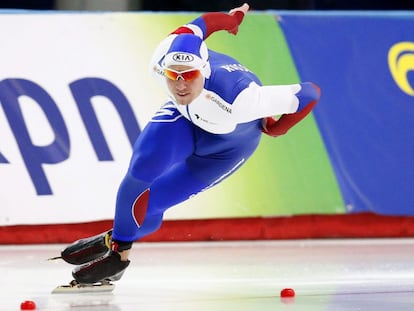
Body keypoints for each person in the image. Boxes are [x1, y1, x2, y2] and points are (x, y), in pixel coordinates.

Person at [60, 3, 320, 284]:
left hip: (228, 149)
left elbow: (310, 93)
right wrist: (232, 19)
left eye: (190, 76)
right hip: (185, 120)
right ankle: (119, 254)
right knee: (142, 169)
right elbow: (202, 24)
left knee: (152, 207)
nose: (181, 85)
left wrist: (278, 129)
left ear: (204, 70)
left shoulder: (244, 99)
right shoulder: (161, 57)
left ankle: (117, 236)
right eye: (174, 76)